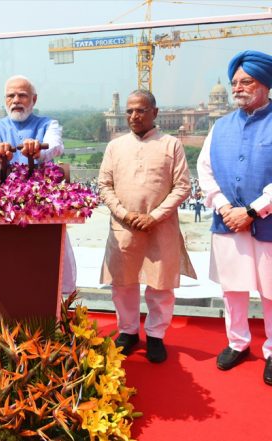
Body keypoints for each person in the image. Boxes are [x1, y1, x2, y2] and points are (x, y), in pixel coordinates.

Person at [98, 90, 195, 363]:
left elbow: (182, 186)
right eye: (129, 111)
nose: (133, 116)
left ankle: (155, 335)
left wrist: (155, 216)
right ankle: (128, 331)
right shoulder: (115, 146)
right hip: (124, 226)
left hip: (160, 226)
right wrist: (123, 213)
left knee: (160, 285)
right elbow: (104, 185)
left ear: (155, 112)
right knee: (123, 283)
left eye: (140, 110)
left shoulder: (171, 144)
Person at [196, 50, 272, 385]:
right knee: (233, 289)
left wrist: (254, 211)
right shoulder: (221, 126)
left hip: (267, 223)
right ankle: (238, 342)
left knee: (271, 292)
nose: (238, 88)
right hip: (228, 222)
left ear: (265, 84)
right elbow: (204, 170)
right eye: (235, 83)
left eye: (246, 82)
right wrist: (226, 208)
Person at [0, 75, 77, 295]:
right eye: (11, 96)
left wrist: (38, 150)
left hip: (42, 204)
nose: (16, 100)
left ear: (33, 99)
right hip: (6, 206)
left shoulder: (48, 124)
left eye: (22, 95)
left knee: (56, 260)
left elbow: (55, 146)